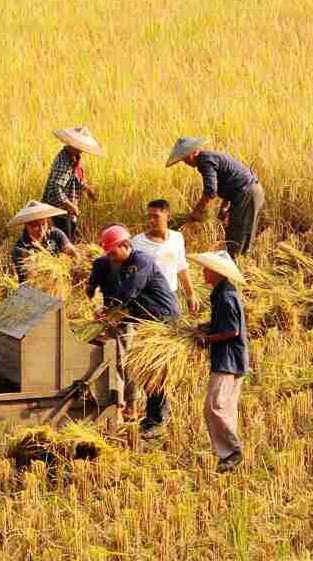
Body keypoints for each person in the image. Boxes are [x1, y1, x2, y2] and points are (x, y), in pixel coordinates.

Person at [87, 224, 180, 438]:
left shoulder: (142, 261)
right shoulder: (115, 262)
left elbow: (129, 292)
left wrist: (110, 311)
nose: (111, 257)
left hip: (163, 319)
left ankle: (157, 421)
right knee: (147, 370)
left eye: (113, 252)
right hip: (146, 320)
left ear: (124, 245)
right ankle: (152, 418)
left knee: (155, 371)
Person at [190, 251, 249, 473]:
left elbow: (232, 331)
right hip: (233, 358)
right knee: (226, 407)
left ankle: (232, 451)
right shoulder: (222, 293)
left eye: (206, 269)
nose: (203, 271)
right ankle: (229, 457)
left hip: (228, 359)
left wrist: (206, 339)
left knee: (213, 406)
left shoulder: (225, 296)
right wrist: (205, 327)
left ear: (216, 272)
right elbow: (225, 325)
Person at [166, 137, 265, 257]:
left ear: (195, 152)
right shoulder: (209, 158)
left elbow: (210, 191)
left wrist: (196, 212)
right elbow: (230, 182)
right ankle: (237, 262)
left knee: (239, 233)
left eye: (186, 158)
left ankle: (237, 265)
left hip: (248, 192)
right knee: (238, 230)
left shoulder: (205, 161)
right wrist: (224, 207)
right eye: (183, 160)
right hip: (248, 191)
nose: (186, 162)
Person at [131, 199, 199, 315]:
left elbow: (181, 267)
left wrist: (190, 294)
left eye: (156, 217)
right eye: (149, 217)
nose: (151, 221)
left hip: (171, 296)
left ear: (167, 216)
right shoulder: (138, 242)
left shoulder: (177, 238)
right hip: (148, 299)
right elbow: (131, 273)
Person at [41, 127, 101, 240]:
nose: (82, 149)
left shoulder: (73, 158)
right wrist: (69, 205)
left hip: (66, 213)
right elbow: (55, 188)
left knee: (69, 241)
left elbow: (75, 179)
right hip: (58, 213)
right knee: (63, 244)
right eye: (79, 145)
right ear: (72, 143)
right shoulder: (64, 162)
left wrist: (87, 189)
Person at [8, 200, 78, 283]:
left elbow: (70, 250)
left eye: (43, 224)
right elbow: (30, 276)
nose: (41, 230)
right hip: (35, 289)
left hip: (62, 281)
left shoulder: (56, 234)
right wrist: (54, 272)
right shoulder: (20, 248)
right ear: (27, 225)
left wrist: (77, 262)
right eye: (36, 226)